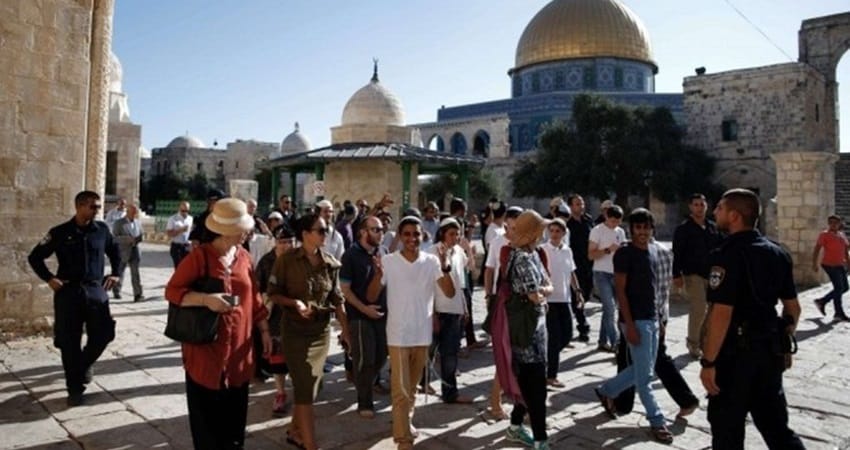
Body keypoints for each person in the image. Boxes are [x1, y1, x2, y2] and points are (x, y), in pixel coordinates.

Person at [700, 188, 805, 449]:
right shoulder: (777, 253)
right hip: (769, 353)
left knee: (727, 432)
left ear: (734, 216)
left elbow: (721, 314)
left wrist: (708, 362)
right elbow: (793, 308)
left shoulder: (726, 255)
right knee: (777, 429)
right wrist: (784, 339)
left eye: (720, 208)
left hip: (734, 358)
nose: (715, 212)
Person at [164, 198, 271, 449]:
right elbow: (172, 291)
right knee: (207, 429)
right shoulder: (200, 257)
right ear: (228, 231)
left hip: (238, 355)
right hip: (206, 354)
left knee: (234, 427)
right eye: (243, 228)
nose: (248, 232)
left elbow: (254, 297)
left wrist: (264, 330)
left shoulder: (244, 257)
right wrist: (206, 300)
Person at [365, 216, 456, 450]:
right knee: (401, 390)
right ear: (400, 236)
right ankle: (403, 440)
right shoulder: (388, 261)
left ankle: (405, 421)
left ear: (422, 235)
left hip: (422, 334)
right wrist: (377, 275)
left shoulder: (432, 261)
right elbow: (371, 296)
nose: (412, 238)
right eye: (406, 234)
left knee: (412, 388)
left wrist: (445, 266)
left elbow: (449, 292)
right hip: (398, 334)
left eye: (416, 234)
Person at [28, 190, 122, 407]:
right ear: (79, 206)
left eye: (98, 206)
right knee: (69, 342)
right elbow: (35, 257)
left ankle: (83, 365)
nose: (97, 210)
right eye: (93, 206)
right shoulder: (59, 232)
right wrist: (49, 278)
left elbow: (115, 251)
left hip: (95, 290)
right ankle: (74, 389)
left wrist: (116, 273)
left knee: (104, 333)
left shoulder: (102, 230)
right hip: (69, 293)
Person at [267, 213, 350, 450]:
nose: (325, 234)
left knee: (313, 386)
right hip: (294, 331)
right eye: (320, 230)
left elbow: (337, 299)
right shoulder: (286, 261)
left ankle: (295, 431)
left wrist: (346, 331)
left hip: (320, 333)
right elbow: (273, 293)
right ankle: (310, 444)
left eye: (326, 230)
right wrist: (294, 303)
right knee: (305, 385)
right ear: (305, 234)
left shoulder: (330, 263)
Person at [595, 208, 673, 444]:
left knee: (644, 370)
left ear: (652, 229)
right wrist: (628, 324)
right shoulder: (624, 254)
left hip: (652, 318)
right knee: (644, 379)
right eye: (638, 227)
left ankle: (606, 391)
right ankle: (657, 420)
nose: (642, 232)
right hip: (635, 320)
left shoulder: (652, 251)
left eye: (646, 227)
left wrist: (659, 318)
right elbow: (620, 291)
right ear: (631, 229)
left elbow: (652, 288)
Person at [614, 237, 700, 418]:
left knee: (635, 358)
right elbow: (663, 287)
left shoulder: (639, 252)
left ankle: (622, 403)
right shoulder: (664, 251)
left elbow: (647, 289)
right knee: (652, 357)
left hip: (641, 315)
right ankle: (685, 399)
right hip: (658, 313)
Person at [501, 210, 552, 450]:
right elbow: (535, 294)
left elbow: (546, 285)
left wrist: (544, 290)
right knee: (535, 387)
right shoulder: (522, 258)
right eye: (540, 229)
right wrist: (544, 291)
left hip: (535, 328)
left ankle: (515, 426)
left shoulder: (532, 254)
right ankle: (541, 439)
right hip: (526, 332)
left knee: (528, 383)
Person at [421, 217, 475, 404]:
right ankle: (421, 382)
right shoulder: (431, 253)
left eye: (458, 234)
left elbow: (460, 283)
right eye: (452, 234)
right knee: (428, 351)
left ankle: (450, 393)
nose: (455, 237)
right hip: (437, 310)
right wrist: (433, 314)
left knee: (450, 353)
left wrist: (464, 306)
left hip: (454, 310)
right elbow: (427, 286)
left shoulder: (459, 252)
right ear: (442, 234)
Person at [340, 216, 389, 419]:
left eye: (381, 229)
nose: (380, 233)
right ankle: (365, 402)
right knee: (365, 360)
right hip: (359, 315)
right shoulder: (350, 255)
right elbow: (345, 290)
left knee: (381, 355)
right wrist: (364, 309)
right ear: (363, 232)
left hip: (382, 314)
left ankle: (362, 381)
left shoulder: (383, 252)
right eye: (375, 229)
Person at [482, 205, 523, 419]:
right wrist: (489, 295)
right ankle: (496, 402)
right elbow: (490, 269)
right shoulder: (498, 243)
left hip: (525, 306)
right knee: (505, 352)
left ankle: (520, 402)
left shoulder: (528, 243)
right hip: (505, 301)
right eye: (511, 225)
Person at [672, 193, 722, 358]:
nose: (699, 208)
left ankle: (704, 341)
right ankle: (693, 343)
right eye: (696, 204)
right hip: (692, 274)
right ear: (690, 207)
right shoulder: (683, 229)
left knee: (711, 310)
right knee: (699, 308)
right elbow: (677, 253)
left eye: (702, 204)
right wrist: (676, 275)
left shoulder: (713, 227)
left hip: (712, 275)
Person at [255, 225, 297, 416]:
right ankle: (280, 393)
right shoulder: (266, 262)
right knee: (278, 360)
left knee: (297, 357)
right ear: (275, 242)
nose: (286, 246)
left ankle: (302, 391)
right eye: (282, 242)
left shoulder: (300, 259)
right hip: (274, 319)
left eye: (289, 242)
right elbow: (256, 289)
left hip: (297, 317)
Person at [541, 217, 581, 387]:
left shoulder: (567, 250)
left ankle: (545, 359)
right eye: (552, 231)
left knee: (567, 335)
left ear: (564, 233)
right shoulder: (543, 250)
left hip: (564, 298)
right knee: (554, 337)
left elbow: (571, 272)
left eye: (558, 231)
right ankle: (551, 375)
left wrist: (577, 291)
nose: (555, 234)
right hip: (549, 299)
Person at [589, 204, 626, 352]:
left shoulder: (621, 232)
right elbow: (590, 255)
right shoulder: (597, 231)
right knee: (610, 308)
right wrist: (607, 250)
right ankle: (616, 342)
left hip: (617, 273)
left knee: (609, 309)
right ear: (606, 217)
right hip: (601, 273)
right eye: (613, 221)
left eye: (618, 221)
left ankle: (602, 341)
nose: (615, 224)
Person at [812, 214, 850, 321]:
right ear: (828, 224)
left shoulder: (842, 235)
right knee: (838, 288)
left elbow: (845, 251)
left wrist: (848, 264)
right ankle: (838, 313)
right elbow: (817, 249)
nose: (833, 225)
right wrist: (814, 263)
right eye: (831, 223)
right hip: (829, 264)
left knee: (845, 288)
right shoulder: (824, 235)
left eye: (836, 223)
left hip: (840, 264)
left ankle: (822, 301)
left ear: (839, 224)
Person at [565, 194, 593, 342]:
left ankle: (576, 315)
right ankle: (583, 326)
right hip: (574, 264)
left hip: (588, 263)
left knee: (586, 294)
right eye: (577, 204)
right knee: (578, 293)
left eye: (582, 203)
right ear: (570, 206)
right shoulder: (567, 224)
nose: (581, 206)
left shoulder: (588, 220)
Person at [112, 203, 144, 302]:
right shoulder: (119, 223)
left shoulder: (138, 222)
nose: (135, 214)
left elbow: (142, 234)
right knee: (120, 272)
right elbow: (114, 238)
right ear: (128, 212)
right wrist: (127, 239)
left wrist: (139, 239)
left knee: (135, 273)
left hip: (135, 251)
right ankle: (116, 290)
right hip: (123, 251)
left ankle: (138, 294)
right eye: (133, 212)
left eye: (136, 212)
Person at [166, 201, 193, 268]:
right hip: (177, 247)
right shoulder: (173, 219)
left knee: (187, 268)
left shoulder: (190, 219)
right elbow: (169, 234)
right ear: (179, 209)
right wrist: (180, 230)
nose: (185, 213)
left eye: (187, 211)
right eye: (183, 211)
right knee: (179, 268)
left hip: (187, 246)